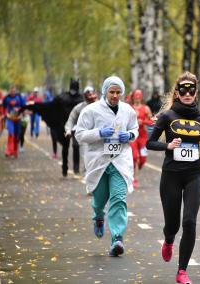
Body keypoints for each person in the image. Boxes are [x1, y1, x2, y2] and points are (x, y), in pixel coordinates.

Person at [146, 71, 200, 284]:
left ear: (196, 93)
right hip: (171, 175)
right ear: (177, 93)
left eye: (191, 90)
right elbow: (150, 142)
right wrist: (168, 145)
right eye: (183, 90)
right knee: (172, 225)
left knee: (190, 221)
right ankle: (168, 240)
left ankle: (182, 271)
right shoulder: (167, 117)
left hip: (194, 174)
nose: (187, 94)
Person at [75, 75, 138, 257]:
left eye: (118, 92)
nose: (115, 95)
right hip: (99, 161)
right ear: (105, 92)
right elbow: (80, 134)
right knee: (99, 201)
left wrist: (130, 136)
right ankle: (99, 218)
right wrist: (99, 133)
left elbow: (134, 128)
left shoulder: (127, 110)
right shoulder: (91, 110)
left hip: (120, 161)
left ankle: (117, 238)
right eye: (112, 91)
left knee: (119, 198)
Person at [24, 79, 83, 176]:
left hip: (77, 126)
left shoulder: (81, 99)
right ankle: (65, 166)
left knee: (76, 146)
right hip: (64, 126)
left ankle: (76, 168)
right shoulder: (63, 97)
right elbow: (50, 106)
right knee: (65, 147)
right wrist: (35, 106)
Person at [65, 86, 98, 176]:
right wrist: (68, 130)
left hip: (98, 135)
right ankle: (86, 172)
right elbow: (71, 120)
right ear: (85, 95)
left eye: (92, 93)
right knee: (85, 153)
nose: (91, 95)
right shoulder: (79, 108)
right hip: (84, 134)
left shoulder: (101, 106)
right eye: (88, 93)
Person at [128, 89, 153, 188]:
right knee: (134, 157)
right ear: (133, 96)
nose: (137, 97)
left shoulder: (146, 108)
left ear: (141, 97)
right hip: (133, 136)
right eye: (136, 95)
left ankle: (136, 169)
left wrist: (143, 122)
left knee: (142, 159)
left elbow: (151, 121)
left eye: (139, 95)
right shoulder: (128, 108)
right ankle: (134, 178)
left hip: (143, 136)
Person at [3, 86, 26, 158]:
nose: (13, 92)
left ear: (15, 91)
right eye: (11, 91)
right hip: (10, 119)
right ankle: (9, 150)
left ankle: (15, 151)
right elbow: (4, 108)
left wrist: (22, 114)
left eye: (14, 91)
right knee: (11, 133)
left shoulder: (19, 97)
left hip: (18, 119)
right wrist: (6, 114)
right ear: (9, 91)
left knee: (16, 136)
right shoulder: (6, 98)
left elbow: (24, 107)